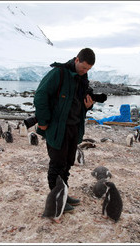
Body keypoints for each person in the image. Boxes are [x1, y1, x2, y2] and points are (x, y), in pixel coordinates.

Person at [34, 48, 95, 212]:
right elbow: (40, 95)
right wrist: (43, 121)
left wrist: (88, 106)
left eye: (88, 69)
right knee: (57, 164)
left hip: (74, 127)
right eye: (83, 67)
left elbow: (77, 103)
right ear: (76, 60)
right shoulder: (59, 73)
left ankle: (64, 195)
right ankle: (56, 200)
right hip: (57, 128)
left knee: (67, 164)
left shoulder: (82, 78)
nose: (85, 71)